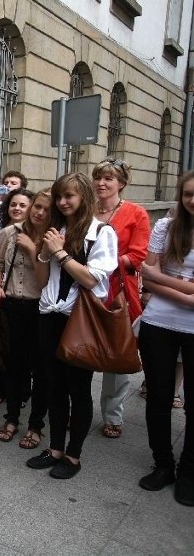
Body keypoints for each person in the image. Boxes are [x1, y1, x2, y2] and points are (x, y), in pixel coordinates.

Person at [26, 172, 117, 480]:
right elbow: (42, 280)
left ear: (84, 199)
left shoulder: (101, 232)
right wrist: (43, 249)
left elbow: (92, 279)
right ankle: (54, 449)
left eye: (69, 196)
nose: (63, 202)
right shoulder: (55, 230)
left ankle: (73, 455)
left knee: (78, 389)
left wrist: (61, 253)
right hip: (49, 315)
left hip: (79, 320)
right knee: (54, 385)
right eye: (59, 196)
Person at [137, 170, 194, 505]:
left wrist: (165, 281)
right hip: (158, 324)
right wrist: (188, 294)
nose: (192, 200)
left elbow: (157, 276)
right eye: (187, 194)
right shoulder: (166, 227)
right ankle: (163, 464)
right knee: (158, 397)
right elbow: (147, 275)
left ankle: (189, 471)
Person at [91, 157, 150, 439]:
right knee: (82, 348)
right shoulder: (87, 209)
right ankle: (77, 408)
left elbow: (138, 256)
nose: (101, 183)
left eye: (108, 178)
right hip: (86, 291)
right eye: (98, 177)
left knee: (117, 355)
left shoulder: (136, 213)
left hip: (118, 293)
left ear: (121, 183)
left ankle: (113, 414)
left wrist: (102, 264)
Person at [0, 188, 52, 447]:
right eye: (36, 206)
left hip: (41, 310)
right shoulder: (10, 233)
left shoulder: (53, 239)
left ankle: (36, 424)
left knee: (41, 369)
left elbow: (45, 280)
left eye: (46, 209)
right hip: (13, 306)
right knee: (14, 365)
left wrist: (33, 250)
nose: (39, 212)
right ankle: (12, 418)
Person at [0, 188, 34, 407]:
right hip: (2, 295)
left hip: (27, 299)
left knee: (22, 348)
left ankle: (22, 391)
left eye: (23, 205)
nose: (17, 208)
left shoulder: (37, 236)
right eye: (14, 204)